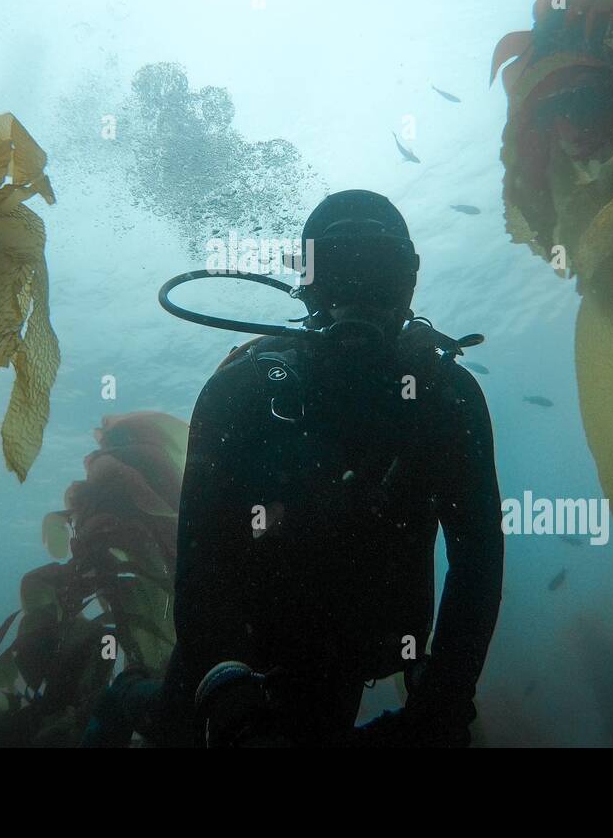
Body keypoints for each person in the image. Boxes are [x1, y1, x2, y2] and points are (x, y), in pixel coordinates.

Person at [87, 189, 503, 747]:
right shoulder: (245, 391)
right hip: (237, 643)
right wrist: (229, 696)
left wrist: (445, 696)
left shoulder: (446, 401)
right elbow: (202, 559)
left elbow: (478, 562)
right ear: (307, 284)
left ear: (408, 282)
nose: (360, 294)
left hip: (348, 655)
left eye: (380, 271)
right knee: (172, 731)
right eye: (338, 270)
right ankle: (130, 695)